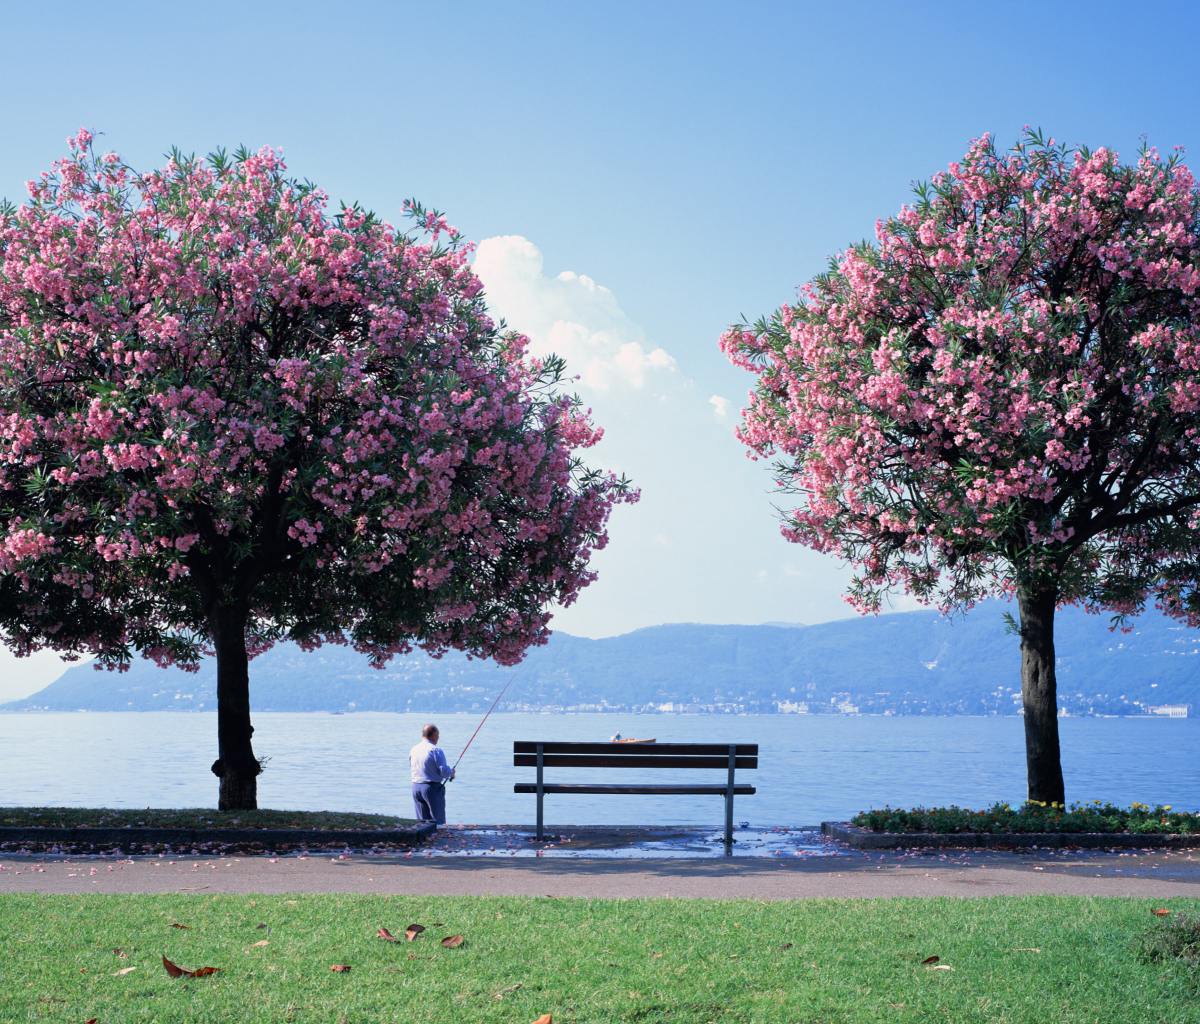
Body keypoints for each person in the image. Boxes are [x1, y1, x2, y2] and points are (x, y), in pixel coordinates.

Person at [409, 723, 454, 824]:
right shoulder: (435, 750)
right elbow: (444, 772)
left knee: (422, 823)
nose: (438, 738)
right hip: (431, 789)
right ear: (434, 735)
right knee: (438, 823)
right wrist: (451, 772)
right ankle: (439, 839)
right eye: (438, 736)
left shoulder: (414, 749)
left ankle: (423, 839)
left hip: (416, 787)